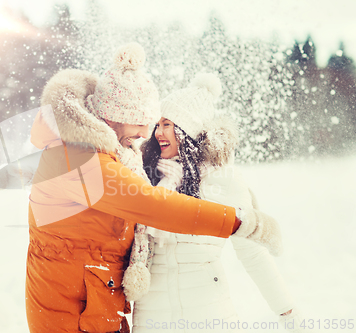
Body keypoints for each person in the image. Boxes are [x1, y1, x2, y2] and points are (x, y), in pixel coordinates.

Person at [25, 44, 281, 333]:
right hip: (71, 315)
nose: (147, 133)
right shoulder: (77, 158)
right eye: (142, 122)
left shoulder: (108, 155)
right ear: (114, 116)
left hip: (92, 306)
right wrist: (240, 221)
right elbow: (151, 206)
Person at [123, 73, 303, 333]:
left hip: (209, 316)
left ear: (188, 130)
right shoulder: (144, 175)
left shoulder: (223, 180)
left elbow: (252, 253)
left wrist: (287, 311)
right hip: (153, 317)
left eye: (167, 124)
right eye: (157, 125)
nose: (158, 132)